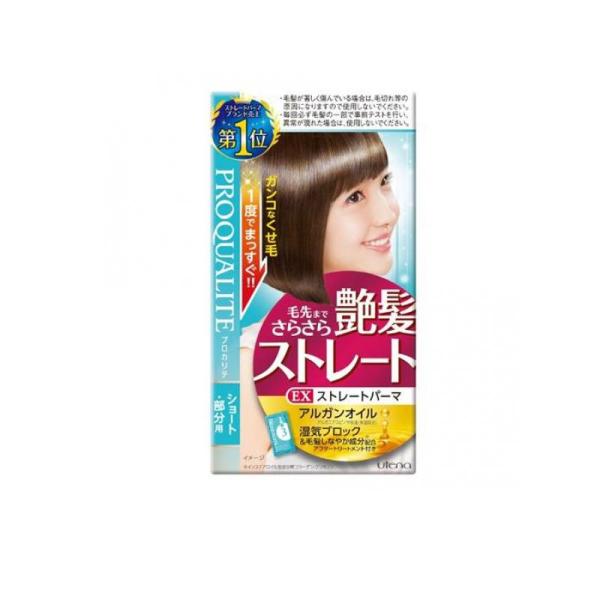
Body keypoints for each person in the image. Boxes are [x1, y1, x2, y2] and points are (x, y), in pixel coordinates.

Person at [240, 133, 400, 471]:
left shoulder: (402, 334)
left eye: (384, 182)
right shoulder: (256, 364)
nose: (387, 214)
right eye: (354, 197)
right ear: (295, 220)